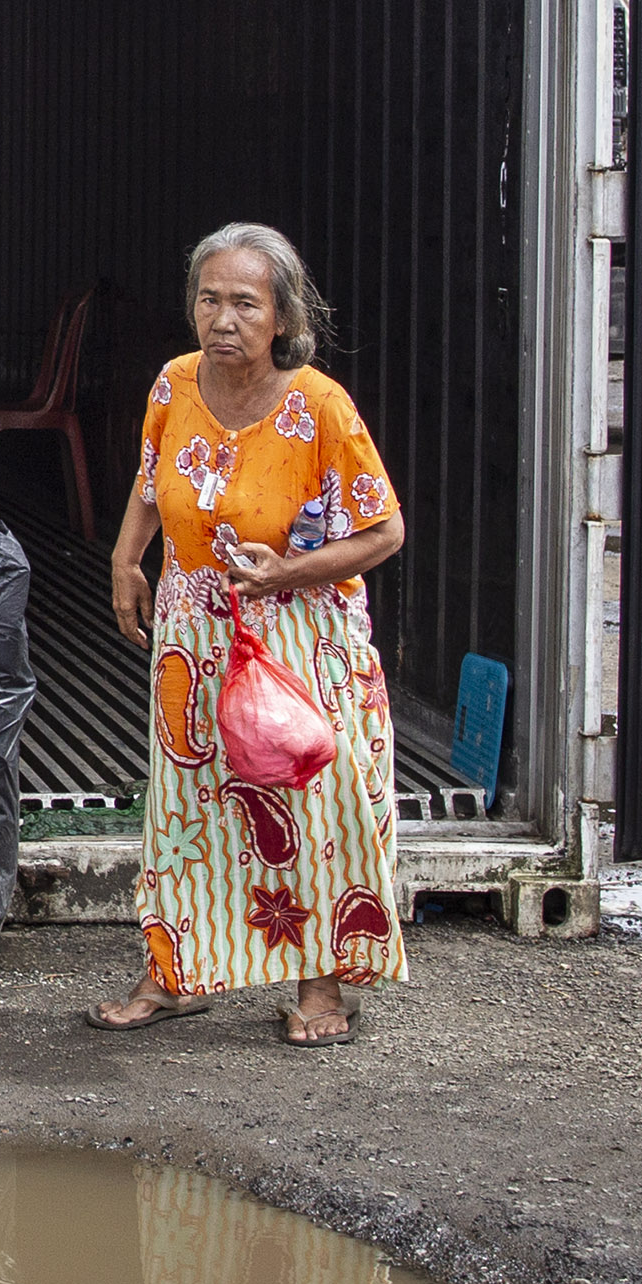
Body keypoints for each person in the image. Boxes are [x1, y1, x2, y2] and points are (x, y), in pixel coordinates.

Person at [93, 224, 410, 1045]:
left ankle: (321, 985)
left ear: (281, 318)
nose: (223, 318)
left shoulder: (321, 407)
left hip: (305, 635)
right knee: (189, 804)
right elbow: (149, 478)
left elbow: (383, 532)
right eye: (209, 298)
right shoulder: (174, 384)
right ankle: (175, 971)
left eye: (245, 302)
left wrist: (285, 574)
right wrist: (129, 557)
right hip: (196, 626)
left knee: (316, 798)